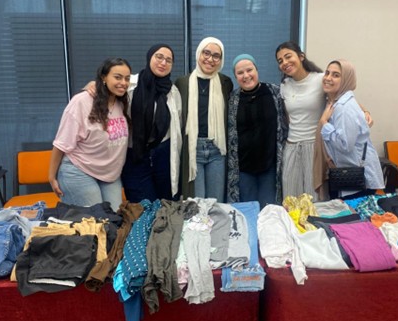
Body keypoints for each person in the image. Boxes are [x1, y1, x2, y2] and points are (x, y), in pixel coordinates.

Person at [275, 41, 373, 199]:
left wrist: (365, 111)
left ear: (301, 56)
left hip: (315, 146)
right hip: (292, 146)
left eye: (288, 57)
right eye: (280, 61)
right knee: (291, 197)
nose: (285, 63)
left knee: (314, 197)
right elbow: (288, 117)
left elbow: (344, 96)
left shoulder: (320, 79)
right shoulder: (284, 85)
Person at [49, 57, 131, 211]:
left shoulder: (122, 102)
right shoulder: (82, 102)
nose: (123, 82)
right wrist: (51, 177)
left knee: (115, 218)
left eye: (127, 78)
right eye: (117, 77)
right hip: (79, 171)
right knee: (95, 220)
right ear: (104, 77)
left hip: (109, 175)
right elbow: (61, 143)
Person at [121, 44, 182, 202]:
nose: (163, 63)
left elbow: (178, 124)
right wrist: (93, 85)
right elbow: (107, 91)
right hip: (136, 154)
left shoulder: (173, 92)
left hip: (163, 155)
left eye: (168, 60)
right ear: (149, 57)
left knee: (165, 204)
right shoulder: (130, 84)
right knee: (142, 205)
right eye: (159, 57)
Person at [175, 37, 233, 201]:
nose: (210, 59)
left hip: (217, 149)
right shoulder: (182, 83)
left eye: (216, 56)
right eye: (206, 53)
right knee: (197, 204)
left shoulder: (225, 82)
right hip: (193, 148)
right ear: (198, 53)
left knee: (216, 202)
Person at [318, 59, 384, 197]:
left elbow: (345, 145)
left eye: (336, 75)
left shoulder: (344, 108)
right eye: (327, 73)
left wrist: (324, 123)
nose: (328, 78)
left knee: (354, 211)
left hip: (356, 179)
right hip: (348, 174)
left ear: (346, 80)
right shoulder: (336, 101)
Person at [227, 54, 285, 207]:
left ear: (257, 70)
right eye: (240, 73)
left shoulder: (274, 92)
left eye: (249, 70)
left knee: (269, 211)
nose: (246, 75)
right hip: (244, 170)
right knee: (248, 211)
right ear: (235, 77)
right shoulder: (232, 100)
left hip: (269, 167)